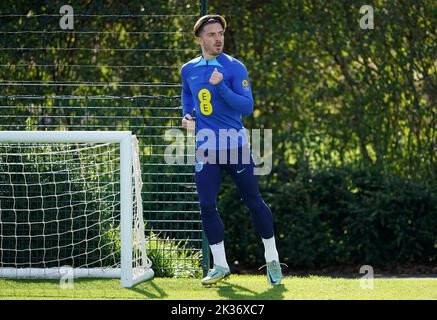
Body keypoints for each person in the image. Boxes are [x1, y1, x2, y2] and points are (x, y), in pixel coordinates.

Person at [180, 14, 284, 286]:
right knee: (206, 205)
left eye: (221, 34)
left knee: (253, 201)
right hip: (205, 149)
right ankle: (221, 265)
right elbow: (188, 95)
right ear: (200, 39)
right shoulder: (188, 69)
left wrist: (222, 88)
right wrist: (187, 116)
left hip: (235, 146)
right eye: (212, 34)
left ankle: (272, 257)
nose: (218, 39)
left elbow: (247, 107)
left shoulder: (235, 67)